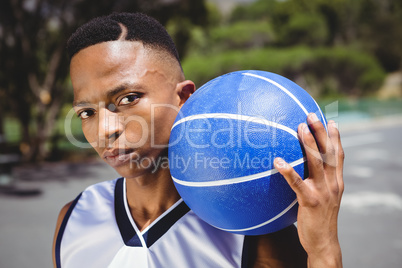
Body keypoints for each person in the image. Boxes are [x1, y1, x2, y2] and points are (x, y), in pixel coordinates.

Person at [52, 12, 344, 268]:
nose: (105, 130)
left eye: (128, 98)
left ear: (184, 98)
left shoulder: (255, 236)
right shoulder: (74, 220)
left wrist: (323, 249)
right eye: (87, 112)